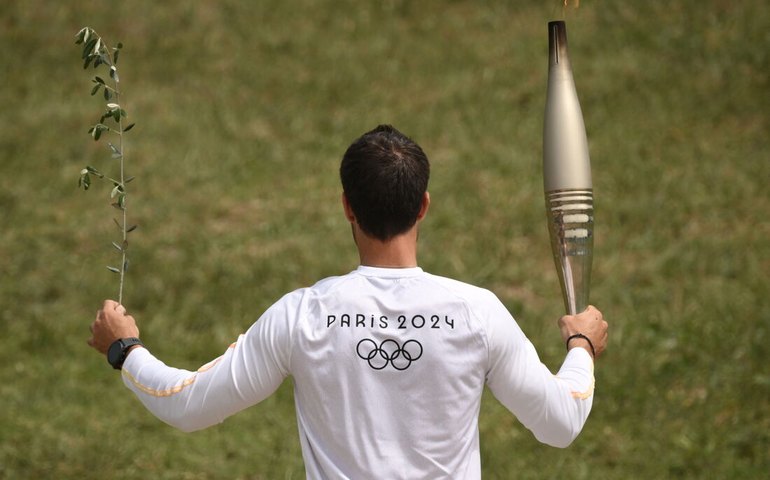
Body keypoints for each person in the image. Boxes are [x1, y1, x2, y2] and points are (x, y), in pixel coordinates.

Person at [88, 124, 608, 479]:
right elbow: (561, 422)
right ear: (423, 206)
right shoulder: (477, 313)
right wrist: (581, 345)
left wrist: (125, 348)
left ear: (346, 207)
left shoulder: (301, 316)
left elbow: (187, 406)